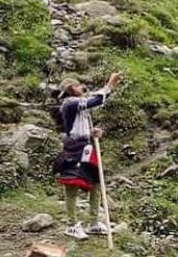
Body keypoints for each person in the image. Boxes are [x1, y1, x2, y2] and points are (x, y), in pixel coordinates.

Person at [55, 72, 122, 240]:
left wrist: (94, 133)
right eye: (78, 86)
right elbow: (96, 100)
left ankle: (93, 222)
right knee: (72, 184)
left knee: (96, 183)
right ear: (71, 88)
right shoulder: (70, 103)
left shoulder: (81, 108)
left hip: (86, 146)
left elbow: (82, 126)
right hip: (74, 148)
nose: (81, 88)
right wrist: (110, 85)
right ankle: (72, 225)